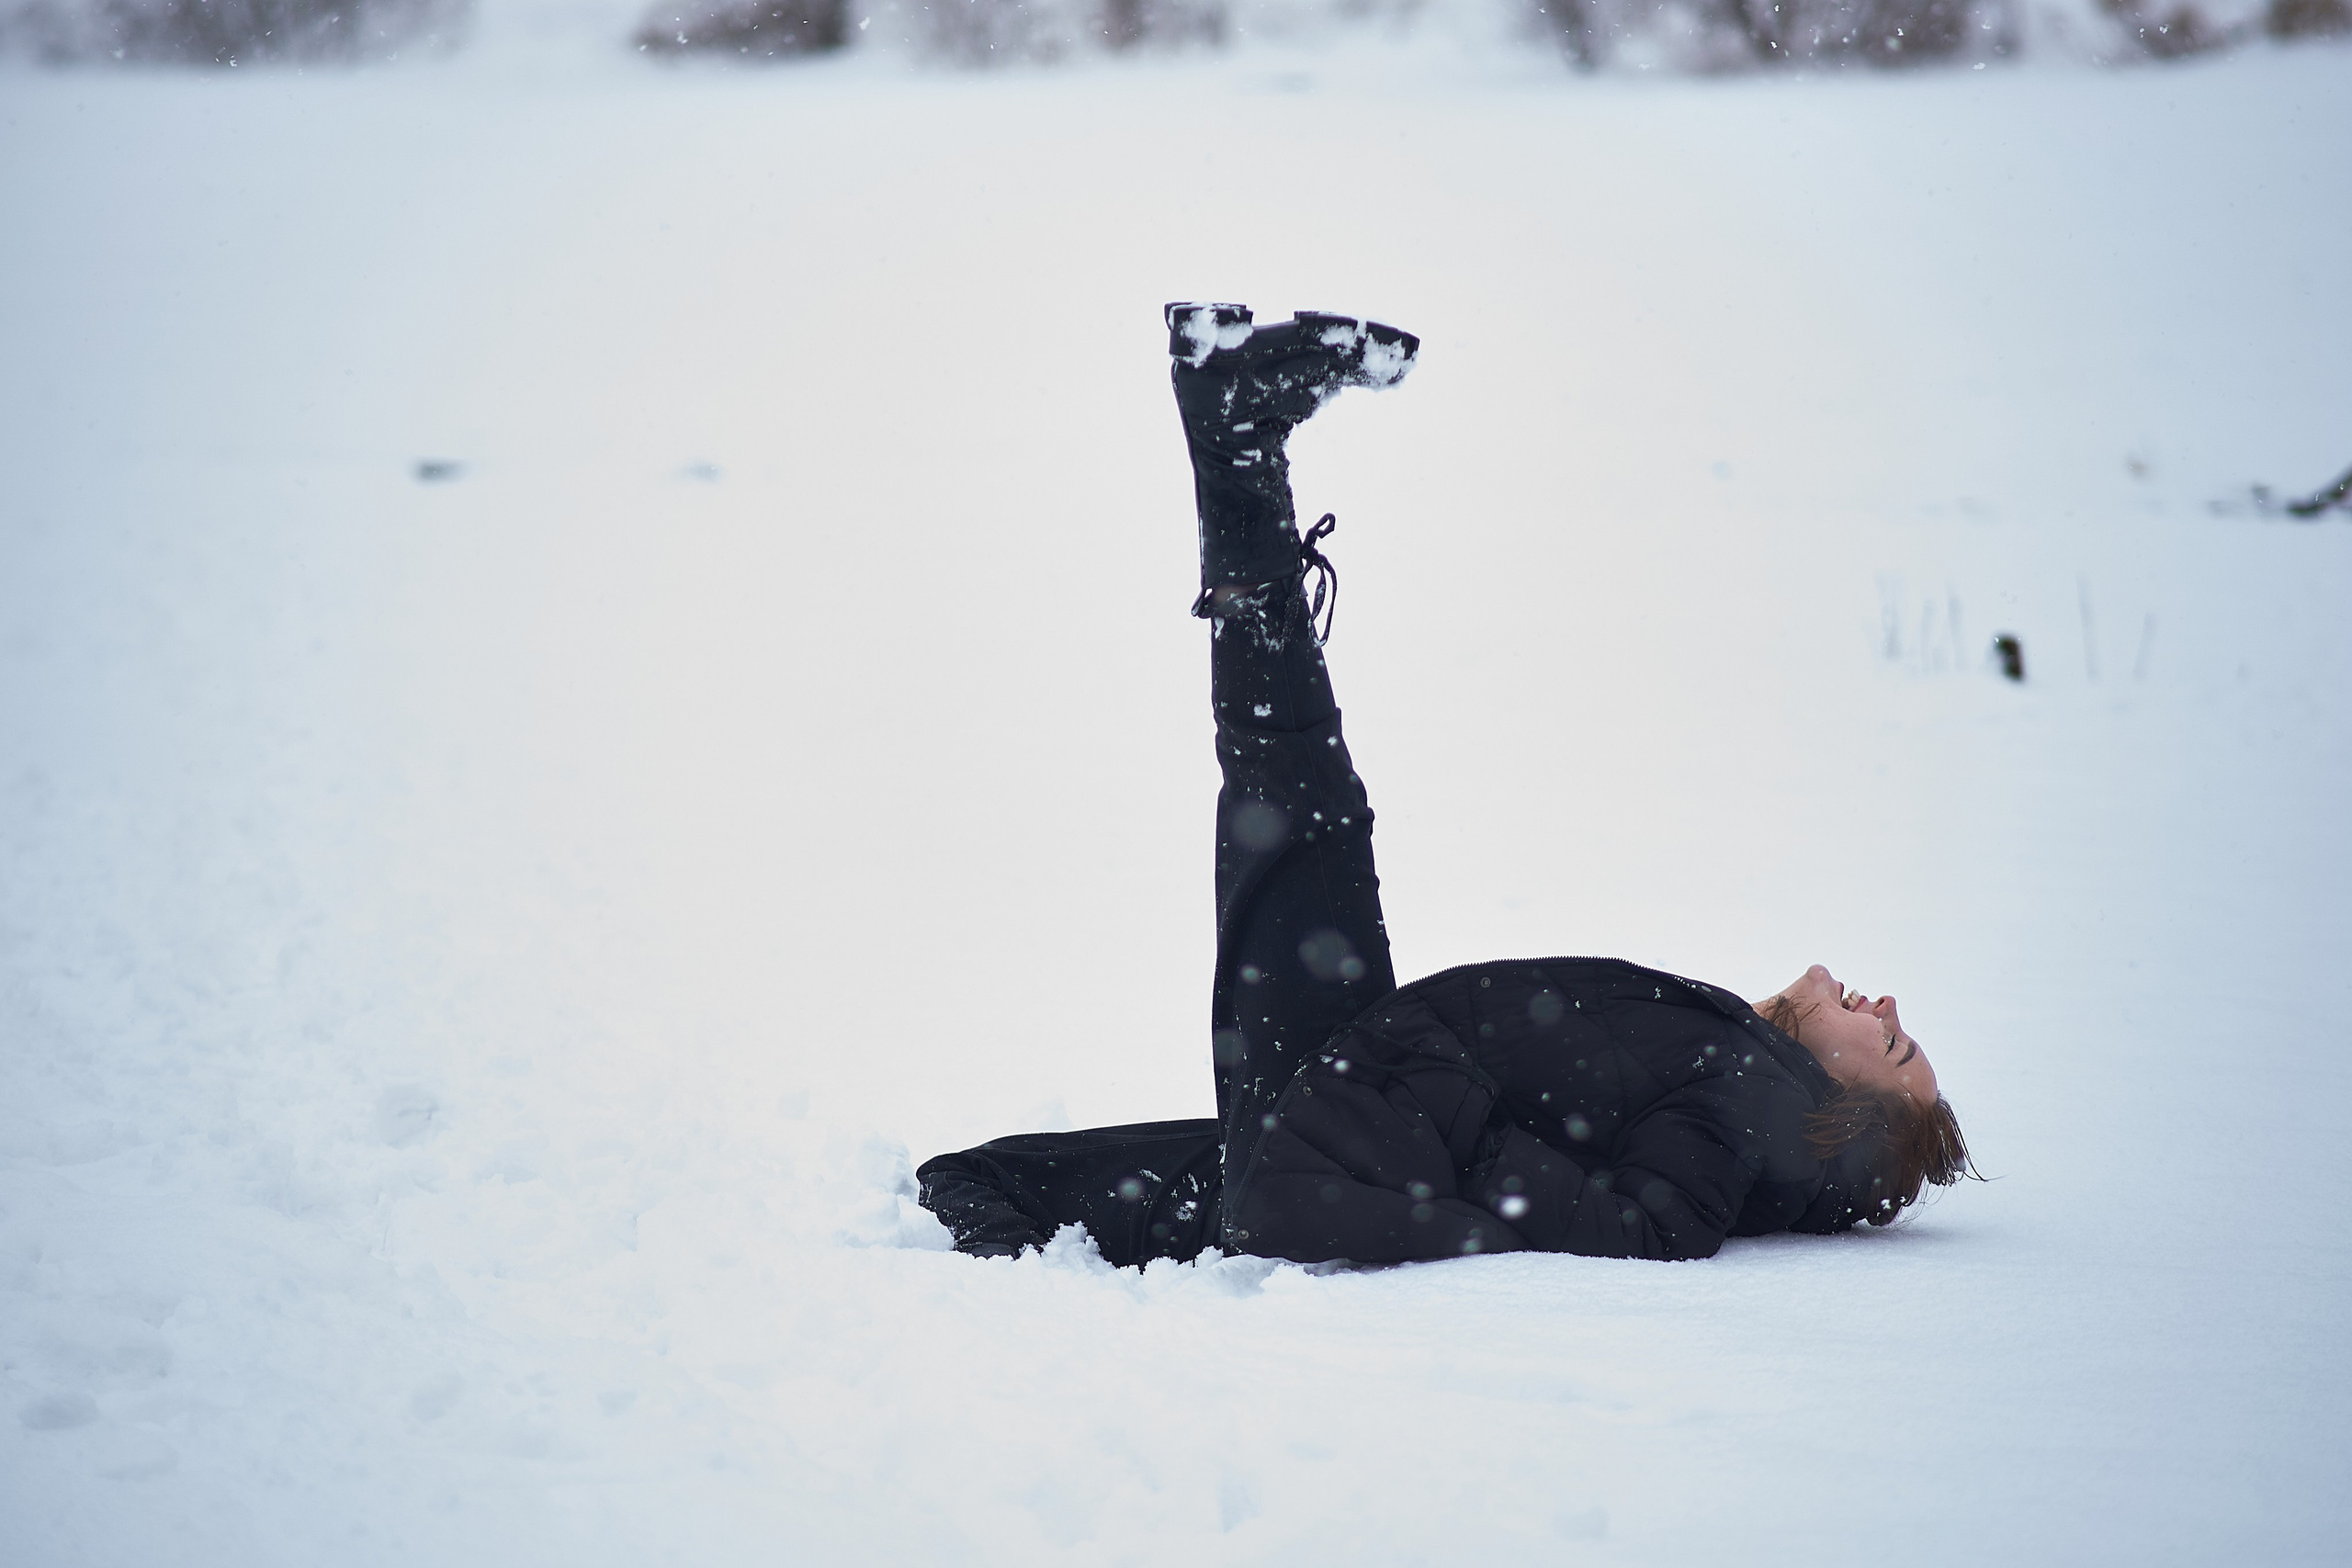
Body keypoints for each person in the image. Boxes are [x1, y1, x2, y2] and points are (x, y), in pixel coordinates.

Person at [916, 303, 1974, 1269]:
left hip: (1371, 1110)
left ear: (1850, 1108)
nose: (1883, 1004)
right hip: (1358, 1104)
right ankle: (1238, 426)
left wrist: (1455, 1116)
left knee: (1298, 793)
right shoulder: (1751, 1078)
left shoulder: (1757, 1109)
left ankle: (1237, 428)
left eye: (1890, 1042)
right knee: (1015, 1179)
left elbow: (1646, 1229)